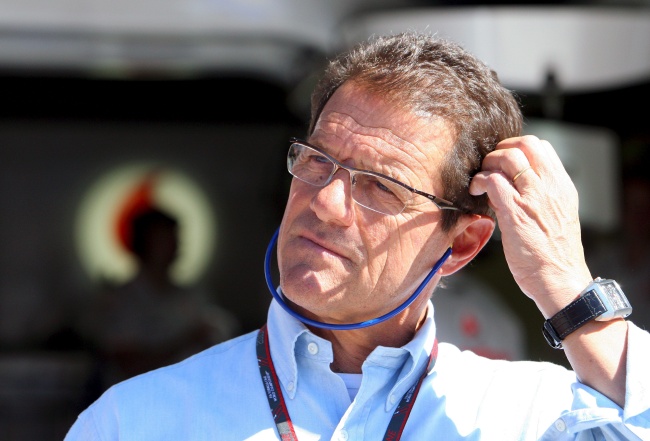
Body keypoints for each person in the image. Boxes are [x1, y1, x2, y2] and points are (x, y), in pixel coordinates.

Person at [64, 32, 650, 440]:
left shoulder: (533, 419)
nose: (325, 202)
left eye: (381, 186)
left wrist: (567, 286)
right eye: (317, 161)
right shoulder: (132, 423)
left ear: (464, 244)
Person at [78, 207, 240, 399]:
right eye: (164, 239)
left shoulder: (193, 295)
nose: (174, 245)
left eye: (175, 238)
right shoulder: (121, 300)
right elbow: (129, 364)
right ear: (144, 243)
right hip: (137, 401)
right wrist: (188, 339)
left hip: (188, 399)